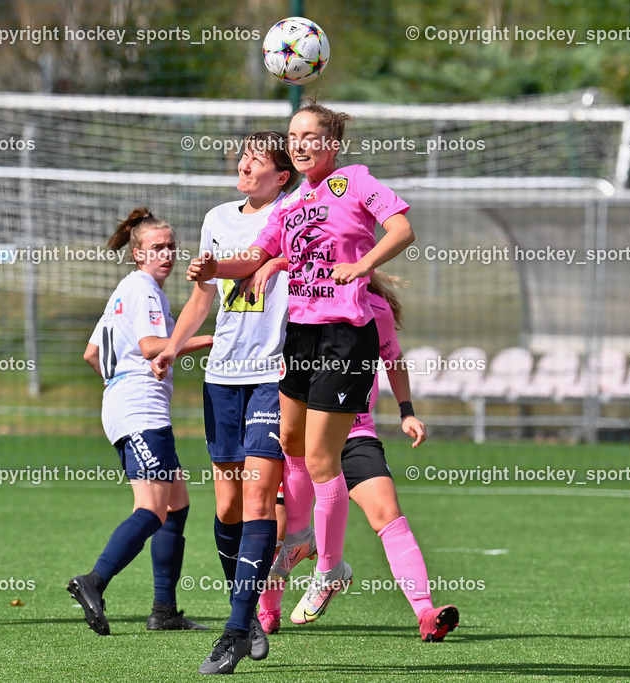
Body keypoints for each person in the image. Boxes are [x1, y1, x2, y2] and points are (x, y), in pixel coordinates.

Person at [188, 99, 415, 644]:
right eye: (294, 134)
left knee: (317, 457)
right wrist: (216, 267)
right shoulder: (291, 205)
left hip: (345, 336)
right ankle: (309, 549)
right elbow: (256, 254)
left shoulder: (356, 181)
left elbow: (402, 228)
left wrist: (363, 265)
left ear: (331, 143)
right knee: (291, 442)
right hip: (302, 338)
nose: (299, 141)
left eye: (310, 134)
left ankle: (327, 567)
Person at [150, 132, 298, 674]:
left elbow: (266, 265)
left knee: (260, 502)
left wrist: (251, 266)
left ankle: (236, 626)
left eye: (256, 161)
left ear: (281, 176)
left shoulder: (295, 212)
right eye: (242, 158)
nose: (243, 166)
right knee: (229, 508)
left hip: (272, 374)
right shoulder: (217, 217)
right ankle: (248, 611)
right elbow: (203, 297)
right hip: (222, 376)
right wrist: (171, 346)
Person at [257, 271, 460, 642]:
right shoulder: (297, 301)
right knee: (282, 530)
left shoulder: (374, 308)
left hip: (354, 435)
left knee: (388, 513)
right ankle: (267, 612)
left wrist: (407, 411)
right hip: (300, 441)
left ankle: (425, 611)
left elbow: (393, 358)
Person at [67, 207, 213, 636]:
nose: (166, 254)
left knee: (177, 505)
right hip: (140, 410)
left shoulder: (124, 290)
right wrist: (215, 339)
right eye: (156, 248)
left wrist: (121, 382)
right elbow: (152, 347)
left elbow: (92, 355)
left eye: (171, 246)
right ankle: (93, 580)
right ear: (137, 254)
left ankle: (164, 611)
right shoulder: (145, 289)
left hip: (128, 404)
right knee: (151, 509)